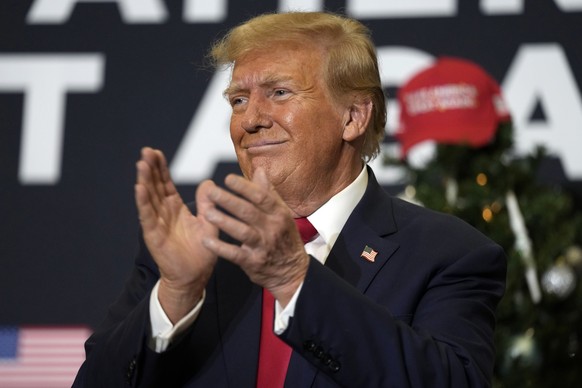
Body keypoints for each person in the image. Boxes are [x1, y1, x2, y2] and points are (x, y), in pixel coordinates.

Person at [73, 11, 506, 388]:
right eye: (239, 100)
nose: (251, 120)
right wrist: (175, 294)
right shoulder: (197, 242)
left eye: (279, 93)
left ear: (354, 116)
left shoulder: (448, 254)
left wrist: (294, 279)